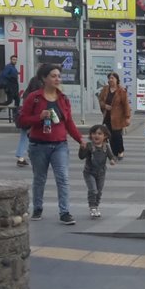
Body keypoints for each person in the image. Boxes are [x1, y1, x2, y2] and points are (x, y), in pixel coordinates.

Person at [18, 64, 87, 225]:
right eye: (53, 76)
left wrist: (80, 140)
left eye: (58, 76)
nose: (57, 79)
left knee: (63, 178)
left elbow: (69, 123)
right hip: (38, 145)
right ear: (44, 78)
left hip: (59, 145)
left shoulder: (63, 99)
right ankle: (38, 208)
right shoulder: (34, 97)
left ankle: (65, 212)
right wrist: (38, 117)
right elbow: (22, 120)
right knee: (39, 178)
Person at [79, 125, 116, 219]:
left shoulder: (106, 147)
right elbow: (81, 156)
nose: (97, 136)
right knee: (93, 190)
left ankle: (96, 206)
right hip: (89, 172)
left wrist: (112, 160)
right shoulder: (89, 146)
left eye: (100, 134)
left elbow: (111, 156)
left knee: (99, 191)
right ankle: (92, 207)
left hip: (101, 173)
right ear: (91, 135)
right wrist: (82, 148)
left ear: (105, 136)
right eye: (94, 133)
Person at [98, 72, 131, 161]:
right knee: (110, 135)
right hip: (107, 117)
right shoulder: (105, 89)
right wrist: (105, 106)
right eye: (109, 78)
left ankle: (120, 151)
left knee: (117, 135)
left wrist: (127, 117)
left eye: (112, 78)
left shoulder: (121, 91)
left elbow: (126, 105)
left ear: (117, 80)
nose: (110, 80)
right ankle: (114, 153)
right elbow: (100, 100)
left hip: (118, 117)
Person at [15, 74, 44, 167]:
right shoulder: (36, 95)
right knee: (38, 137)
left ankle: (20, 157)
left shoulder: (27, 94)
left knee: (24, 137)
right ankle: (37, 156)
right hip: (33, 118)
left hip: (25, 119)